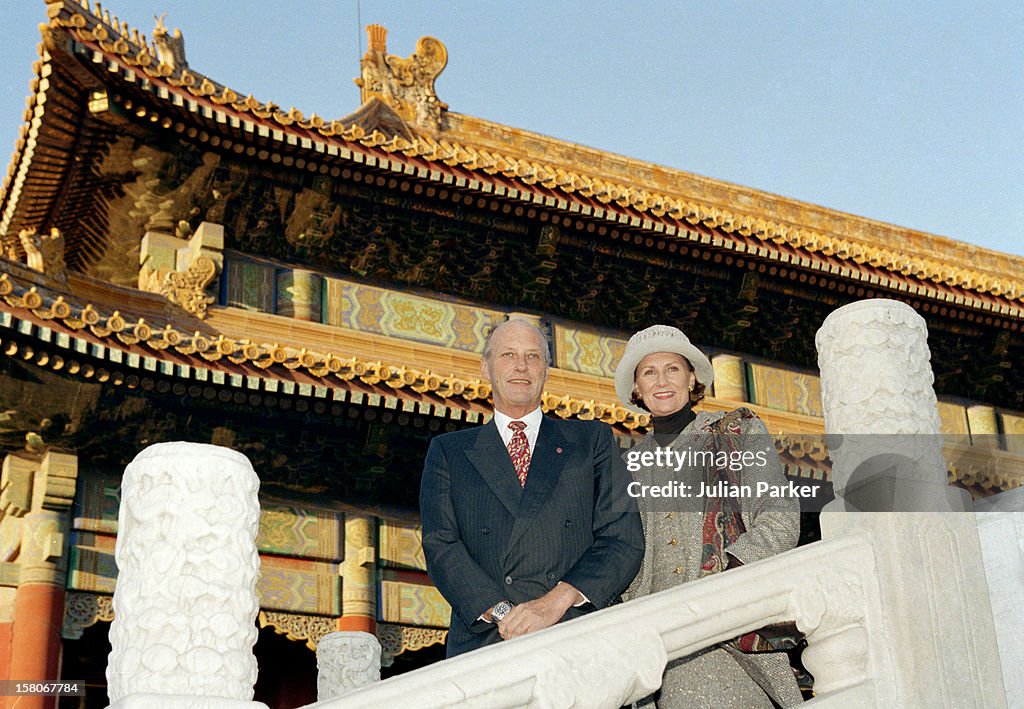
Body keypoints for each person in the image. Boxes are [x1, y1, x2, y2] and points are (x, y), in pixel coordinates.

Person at [420, 318, 644, 657]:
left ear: (546, 369)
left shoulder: (590, 440)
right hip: (488, 640)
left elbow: (622, 537)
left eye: (533, 356)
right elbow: (441, 545)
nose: (521, 366)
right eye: (508, 354)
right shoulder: (449, 452)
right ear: (486, 368)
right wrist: (503, 614)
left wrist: (554, 604)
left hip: (576, 633)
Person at [614, 324, 803, 708]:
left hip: (728, 630)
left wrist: (728, 570)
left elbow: (780, 513)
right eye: (649, 372)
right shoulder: (626, 468)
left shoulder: (735, 432)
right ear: (637, 389)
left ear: (692, 378)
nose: (661, 381)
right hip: (653, 647)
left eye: (673, 369)